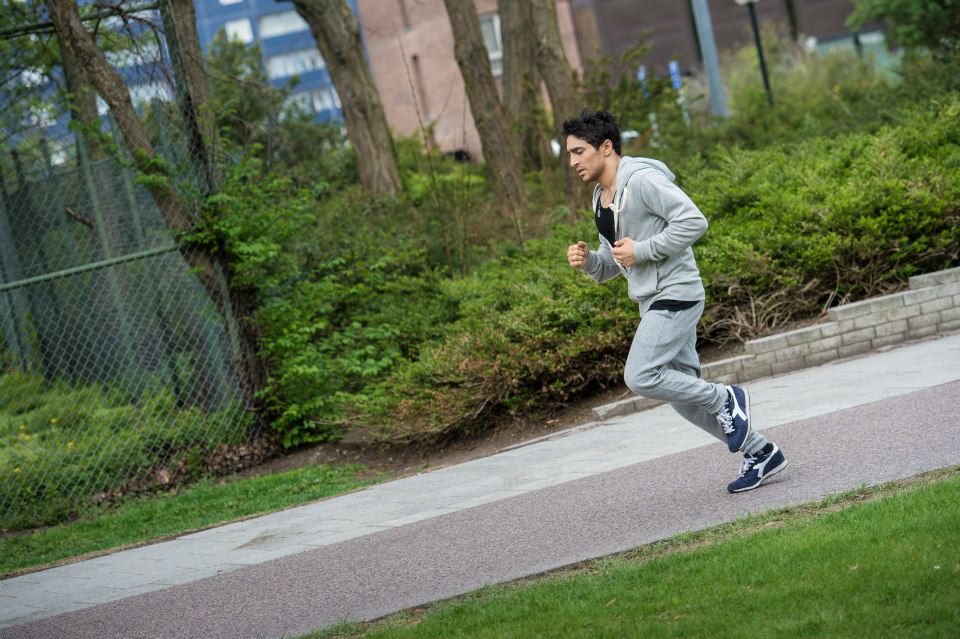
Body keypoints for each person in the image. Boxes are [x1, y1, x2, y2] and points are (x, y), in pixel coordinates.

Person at [562, 109, 787, 493]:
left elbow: (694, 221)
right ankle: (761, 451)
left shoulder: (643, 180)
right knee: (683, 398)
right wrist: (589, 263)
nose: (573, 162)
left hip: (676, 292)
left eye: (579, 151)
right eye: (569, 153)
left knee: (640, 375)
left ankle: (727, 397)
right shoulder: (600, 198)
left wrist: (644, 250)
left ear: (606, 147)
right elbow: (615, 263)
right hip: (651, 300)